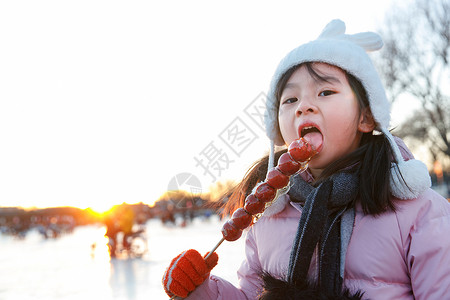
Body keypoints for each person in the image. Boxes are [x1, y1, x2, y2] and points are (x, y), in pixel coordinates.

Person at [162, 19, 450, 299]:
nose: (304, 107)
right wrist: (201, 291)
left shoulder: (420, 213)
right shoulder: (267, 218)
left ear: (366, 116)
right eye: (290, 100)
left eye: (325, 92)